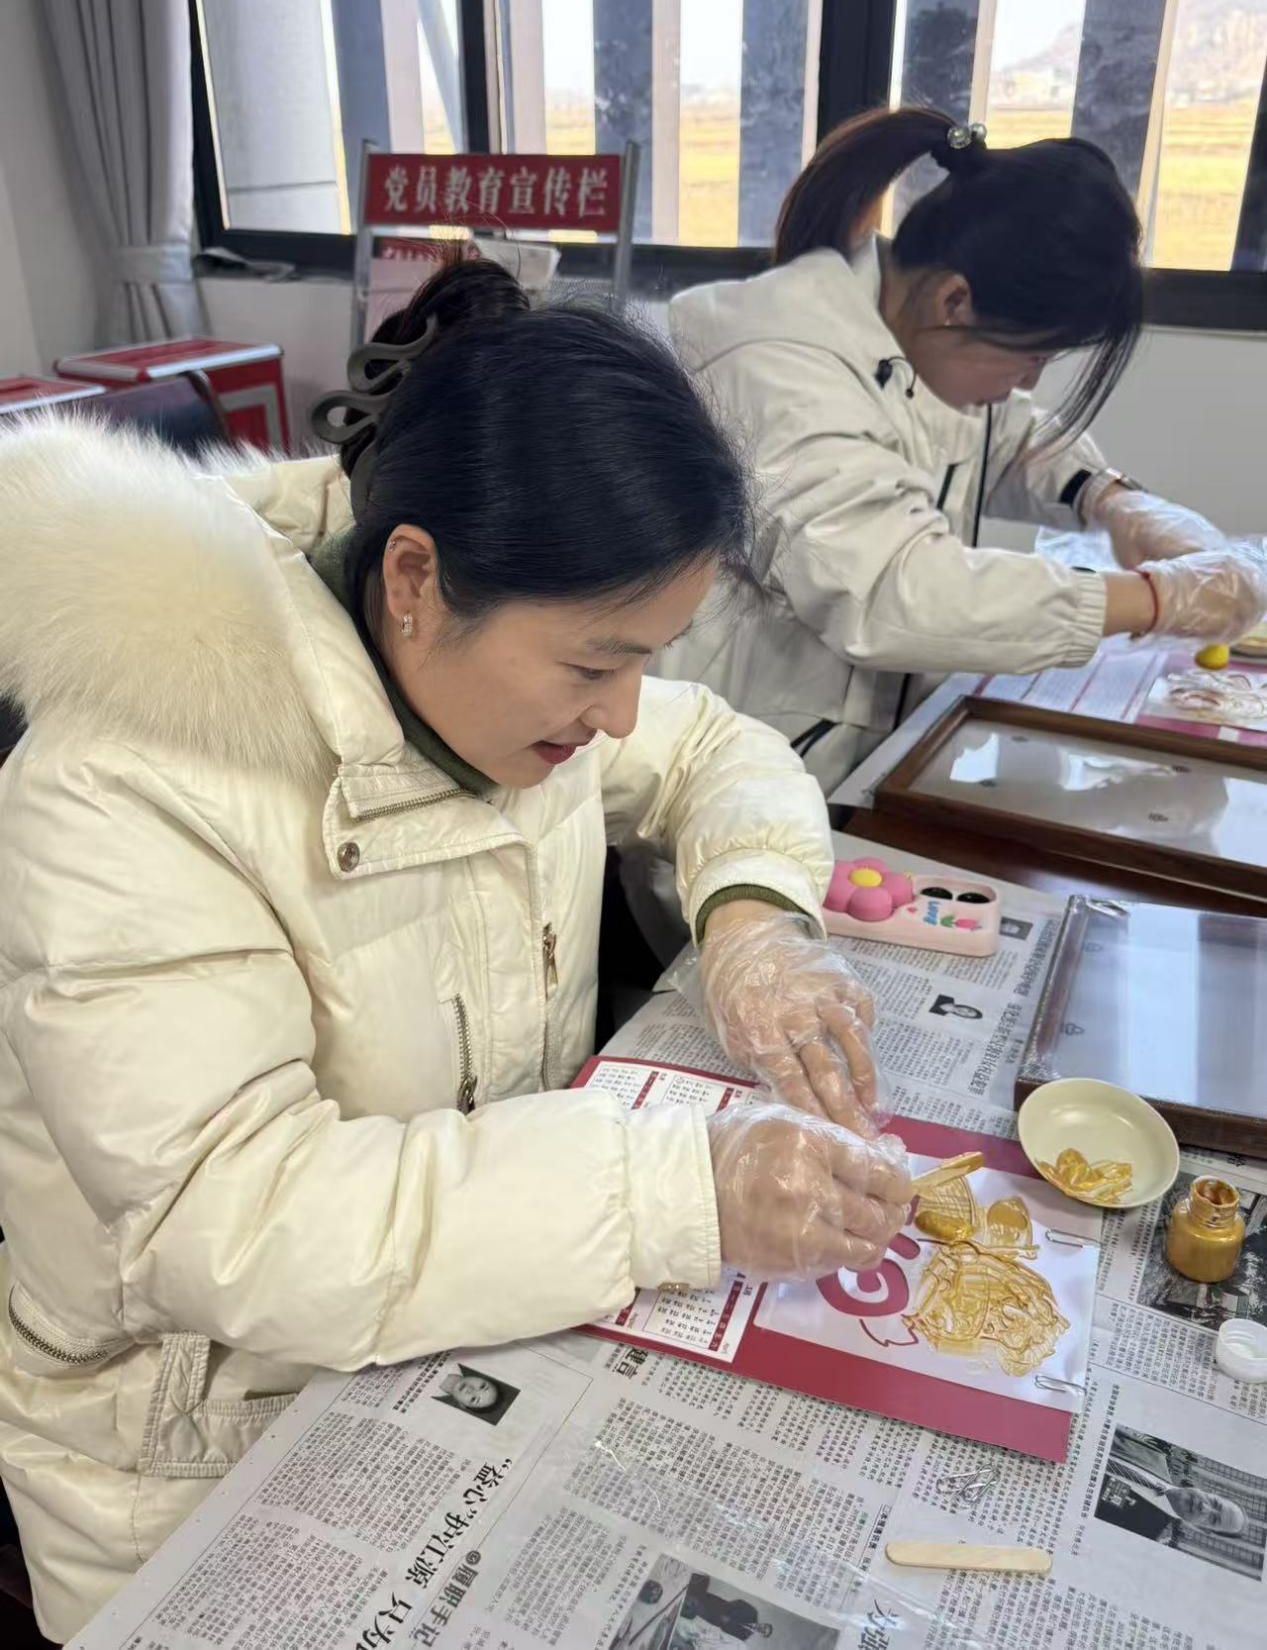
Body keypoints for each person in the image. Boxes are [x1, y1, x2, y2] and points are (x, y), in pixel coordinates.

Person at [0, 259, 912, 1641]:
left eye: (646, 658)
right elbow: (231, 1220)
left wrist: (750, 923)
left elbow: (712, 749)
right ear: (414, 576)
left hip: (462, 1331)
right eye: (594, 665)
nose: (619, 716)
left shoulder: (474, 671)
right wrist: (681, 1191)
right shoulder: (128, 781)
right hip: (193, 1443)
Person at [658, 106, 1267, 792]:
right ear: (954, 302)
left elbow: (1010, 435)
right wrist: (1157, 599)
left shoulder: (902, 327)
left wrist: (1114, 499)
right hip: (749, 766)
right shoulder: (777, 362)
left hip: (865, 750)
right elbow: (895, 592)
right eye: (1031, 356)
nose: (1028, 383)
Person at [1098, 1429, 1248, 1546]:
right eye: (1215, 1503)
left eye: (1213, 1519)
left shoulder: (1147, 1533)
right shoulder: (1154, 1454)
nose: (1204, 1507)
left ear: (1203, 1529)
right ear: (1210, 1492)